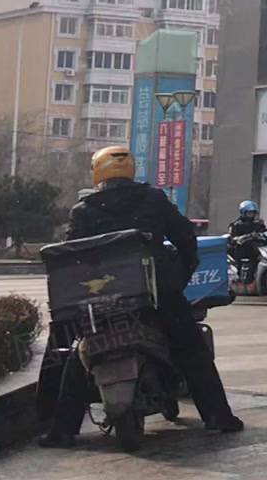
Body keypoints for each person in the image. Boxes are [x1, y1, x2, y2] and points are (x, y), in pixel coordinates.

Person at [41, 146, 243, 447]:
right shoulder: (154, 199)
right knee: (191, 350)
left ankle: (62, 430)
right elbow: (186, 239)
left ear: (97, 172)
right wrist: (180, 277)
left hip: (100, 303)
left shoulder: (83, 211)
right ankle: (218, 416)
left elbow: (71, 259)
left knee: (71, 352)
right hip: (157, 296)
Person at [227, 199, 267, 286]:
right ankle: (242, 280)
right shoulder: (236, 224)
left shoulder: (258, 224)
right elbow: (232, 238)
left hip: (257, 248)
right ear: (243, 212)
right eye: (249, 213)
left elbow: (265, 233)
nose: (251, 215)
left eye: (253, 213)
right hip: (242, 250)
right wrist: (245, 237)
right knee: (245, 261)